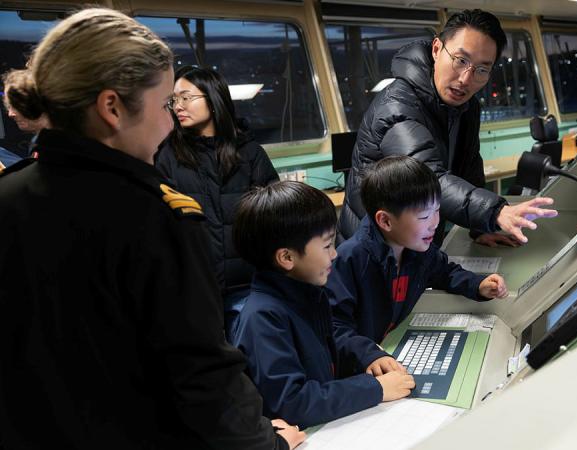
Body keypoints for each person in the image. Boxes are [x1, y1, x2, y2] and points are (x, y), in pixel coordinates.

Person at [0, 8, 303, 449]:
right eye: (165, 103)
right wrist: (269, 443)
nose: (170, 118)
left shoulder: (9, 197)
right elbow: (203, 382)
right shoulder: (159, 218)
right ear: (112, 107)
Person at [339, 9, 557, 247]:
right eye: (461, 60)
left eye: (481, 69)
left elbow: (469, 167)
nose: (465, 78)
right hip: (370, 249)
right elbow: (429, 179)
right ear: (436, 50)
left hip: (414, 245)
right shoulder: (397, 106)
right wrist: (495, 213)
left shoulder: (466, 107)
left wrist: (480, 227)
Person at [229, 181, 416, 428]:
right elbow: (292, 403)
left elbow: (330, 348)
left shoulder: (307, 292)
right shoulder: (262, 318)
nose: (334, 254)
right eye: (327, 245)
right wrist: (375, 389)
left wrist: (366, 355)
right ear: (287, 257)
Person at [328, 156, 508, 375]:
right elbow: (335, 327)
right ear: (385, 221)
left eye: (437, 210)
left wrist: (477, 284)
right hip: (352, 367)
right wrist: (369, 354)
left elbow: (444, 272)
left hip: (384, 345)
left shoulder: (417, 249)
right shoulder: (351, 259)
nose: (434, 223)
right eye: (424, 216)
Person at [155, 66, 279, 331]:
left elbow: (274, 215)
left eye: (186, 97)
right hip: (195, 288)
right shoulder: (168, 156)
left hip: (247, 285)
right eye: (174, 99)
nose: (178, 106)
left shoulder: (249, 153)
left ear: (213, 99)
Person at [2, 69, 50, 159]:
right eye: (8, 106)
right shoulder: (39, 141)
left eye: (15, 106)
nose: (10, 114)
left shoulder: (63, 144)